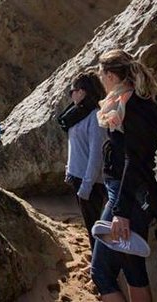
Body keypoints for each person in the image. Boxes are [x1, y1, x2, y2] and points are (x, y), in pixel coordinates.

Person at [90, 49, 157, 302]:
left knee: (102, 272)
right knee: (132, 270)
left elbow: (134, 159)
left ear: (111, 75)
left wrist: (121, 211)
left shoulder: (130, 106)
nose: (100, 79)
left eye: (101, 74)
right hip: (129, 192)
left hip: (128, 195)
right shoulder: (132, 102)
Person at [57, 71, 107, 249]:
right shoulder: (79, 115)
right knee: (90, 224)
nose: (71, 95)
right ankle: (98, 262)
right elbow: (76, 148)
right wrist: (69, 170)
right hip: (78, 176)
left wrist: (87, 185)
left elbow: (96, 155)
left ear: (83, 91)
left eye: (73, 90)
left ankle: (100, 268)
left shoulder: (95, 116)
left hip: (91, 182)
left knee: (95, 226)